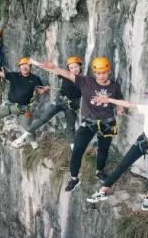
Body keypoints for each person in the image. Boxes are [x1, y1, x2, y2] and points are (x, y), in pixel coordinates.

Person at [85, 84, 148, 211]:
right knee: (123, 165)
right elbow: (129, 104)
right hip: (142, 141)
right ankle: (103, 190)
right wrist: (108, 100)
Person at [38, 56, 124, 192]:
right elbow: (68, 74)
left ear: (109, 72)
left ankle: (99, 171)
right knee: (77, 149)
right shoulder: (86, 82)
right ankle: (74, 178)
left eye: (104, 72)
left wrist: (120, 108)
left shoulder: (114, 86)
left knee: (103, 150)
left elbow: (119, 100)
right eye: (98, 73)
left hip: (107, 123)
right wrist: (54, 67)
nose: (101, 76)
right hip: (89, 122)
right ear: (94, 73)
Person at [11, 56, 83, 150]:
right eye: (71, 67)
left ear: (80, 67)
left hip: (71, 105)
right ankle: (21, 138)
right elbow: (50, 69)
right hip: (59, 101)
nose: (74, 70)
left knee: (71, 128)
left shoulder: (84, 80)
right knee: (43, 119)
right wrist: (34, 62)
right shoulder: (66, 74)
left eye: (76, 67)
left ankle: (74, 151)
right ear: (68, 68)